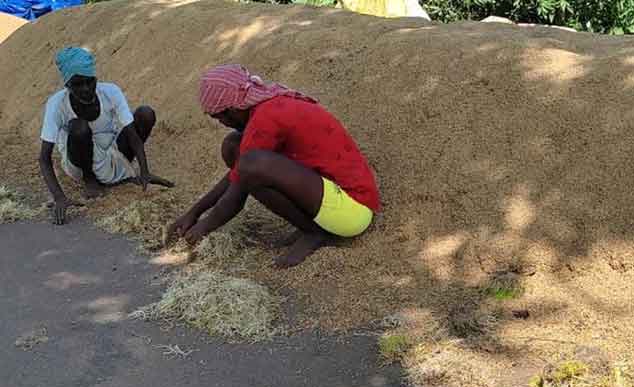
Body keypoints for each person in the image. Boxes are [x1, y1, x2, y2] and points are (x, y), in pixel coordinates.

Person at [168, 64, 380, 268]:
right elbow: (235, 176)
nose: (222, 123)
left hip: (353, 212)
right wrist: (194, 213)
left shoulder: (266, 118)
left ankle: (314, 233)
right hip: (333, 197)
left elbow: (236, 195)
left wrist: (202, 229)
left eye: (221, 117)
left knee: (251, 164)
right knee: (234, 145)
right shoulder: (268, 105)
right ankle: (312, 226)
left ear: (233, 108)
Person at [38, 47, 172, 225]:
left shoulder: (110, 91)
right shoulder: (57, 104)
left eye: (89, 82)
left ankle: (121, 172)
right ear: (67, 86)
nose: (86, 89)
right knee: (79, 127)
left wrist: (144, 171)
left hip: (112, 151)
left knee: (145, 113)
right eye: (77, 84)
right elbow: (44, 158)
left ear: (95, 79)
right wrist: (59, 197)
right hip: (78, 161)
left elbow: (131, 134)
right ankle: (90, 179)